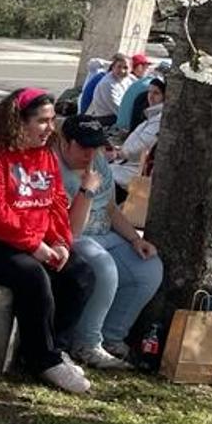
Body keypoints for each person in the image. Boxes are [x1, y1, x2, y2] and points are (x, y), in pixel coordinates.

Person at [0, 87, 96, 394]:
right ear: (18, 121)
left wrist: (60, 242)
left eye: (52, 120)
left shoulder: (44, 156)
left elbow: (55, 202)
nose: (50, 129)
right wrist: (34, 245)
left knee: (81, 273)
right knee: (32, 276)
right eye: (42, 121)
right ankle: (42, 359)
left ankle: (57, 347)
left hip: (33, 240)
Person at [55, 115, 163, 366]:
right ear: (65, 143)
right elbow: (72, 230)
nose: (91, 155)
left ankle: (112, 336)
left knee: (149, 268)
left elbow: (112, 209)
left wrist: (135, 239)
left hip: (105, 232)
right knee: (104, 266)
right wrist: (87, 191)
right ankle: (85, 343)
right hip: (73, 236)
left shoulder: (98, 161)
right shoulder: (53, 166)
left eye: (96, 148)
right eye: (83, 147)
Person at [113, 76, 165, 190]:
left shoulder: (159, 119)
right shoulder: (152, 116)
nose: (151, 96)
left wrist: (118, 154)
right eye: (149, 92)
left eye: (156, 93)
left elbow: (141, 146)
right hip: (127, 163)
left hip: (134, 170)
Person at [85, 53, 132, 125]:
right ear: (113, 67)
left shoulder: (128, 79)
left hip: (117, 114)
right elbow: (117, 109)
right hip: (105, 119)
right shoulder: (107, 84)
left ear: (131, 69)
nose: (122, 70)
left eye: (125, 68)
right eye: (119, 67)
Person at [114, 53, 154, 131]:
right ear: (138, 67)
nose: (147, 69)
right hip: (121, 125)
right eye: (145, 66)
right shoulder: (140, 83)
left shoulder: (132, 80)